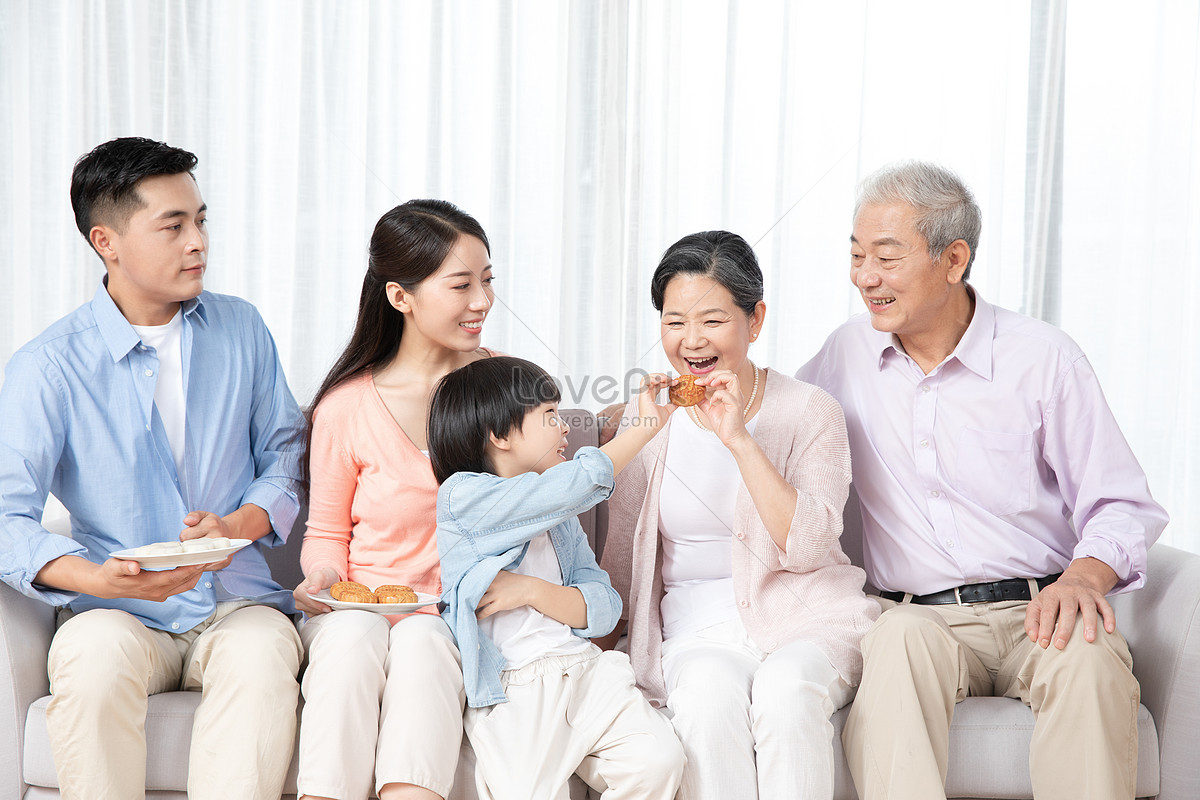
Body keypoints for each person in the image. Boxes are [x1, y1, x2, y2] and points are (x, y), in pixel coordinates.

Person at [795, 160, 1170, 800]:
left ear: (954, 258)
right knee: (898, 641)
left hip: (1041, 606)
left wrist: (1083, 578)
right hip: (917, 619)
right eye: (856, 256)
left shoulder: (1043, 358)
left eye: (885, 257)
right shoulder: (845, 354)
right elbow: (772, 423)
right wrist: (624, 423)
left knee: (1089, 656)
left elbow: (1121, 504)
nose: (864, 277)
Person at [0, 137, 306, 799]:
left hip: (237, 603)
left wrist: (240, 523)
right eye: (172, 226)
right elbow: (4, 517)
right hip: (115, 609)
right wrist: (96, 577)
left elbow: (286, 454)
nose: (197, 242)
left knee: (263, 656)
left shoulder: (242, 329)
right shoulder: (47, 367)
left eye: (200, 221)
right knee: (89, 656)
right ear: (106, 241)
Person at [599, 231, 879, 800]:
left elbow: (811, 548)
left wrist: (741, 442)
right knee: (704, 695)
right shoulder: (646, 421)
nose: (691, 340)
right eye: (674, 321)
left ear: (755, 320)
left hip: (807, 620)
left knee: (787, 691)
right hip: (693, 633)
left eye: (712, 320)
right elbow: (622, 557)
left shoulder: (809, 411)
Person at [290, 199, 496, 800]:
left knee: (423, 645)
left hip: (451, 614)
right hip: (363, 604)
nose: (481, 300)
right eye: (461, 285)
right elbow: (326, 535)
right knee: (353, 641)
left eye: (487, 281)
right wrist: (323, 578)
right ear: (400, 296)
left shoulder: (505, 388)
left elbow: (547, 493)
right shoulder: (346, 407)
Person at [430, 356, 686, 800]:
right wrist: (642, 428)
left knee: (658, 762)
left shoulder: (561, 519)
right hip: (516, 688)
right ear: (499, 435)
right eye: (550, 415)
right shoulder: (461, 499)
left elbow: (605, 608)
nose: (565, 426)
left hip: (585, 674)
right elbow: (575, 485)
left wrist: (532, 591)